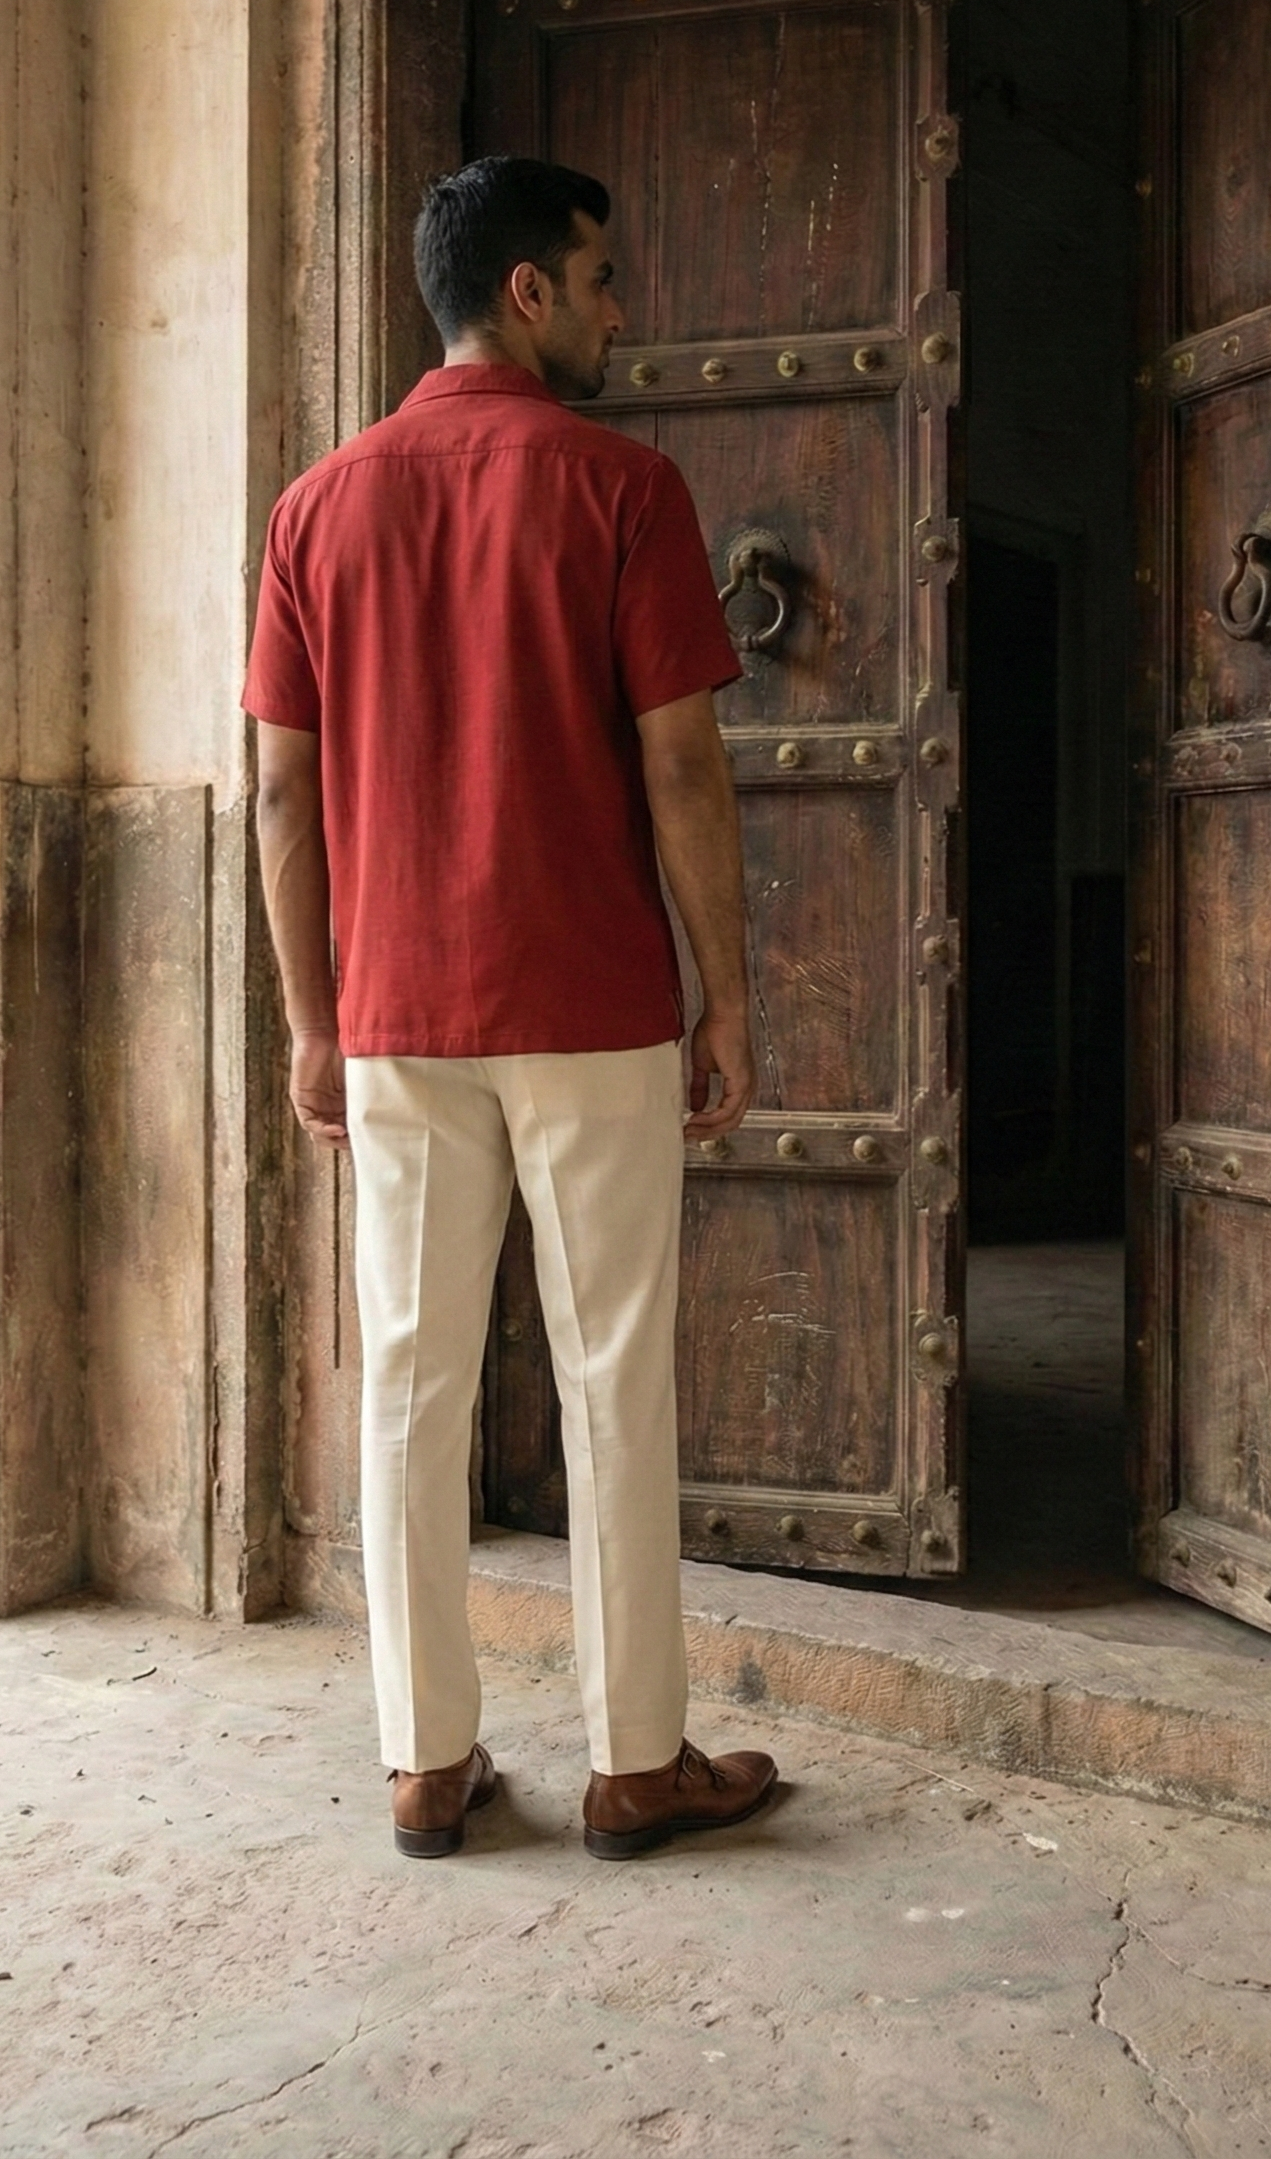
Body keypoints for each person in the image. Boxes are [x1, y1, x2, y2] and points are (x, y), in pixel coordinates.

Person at [244, 155, 777, 1861]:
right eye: (604, 276)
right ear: (528, 291)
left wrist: (311, 1021)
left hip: (399, 1015)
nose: (624, 307)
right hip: (595, 1002)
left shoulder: (318, 507)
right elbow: (682, 763)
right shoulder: (624, 488)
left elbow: (278, 796)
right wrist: (728, 995)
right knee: (616, 1369)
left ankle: (426, 1759)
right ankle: (634, 1761)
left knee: (410, 1379)